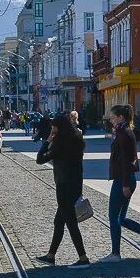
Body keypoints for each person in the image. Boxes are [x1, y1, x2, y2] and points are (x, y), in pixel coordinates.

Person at [101, 104, 140, 262]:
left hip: (123, 180)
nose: (111, 120)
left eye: (113, 117)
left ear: (121, 117)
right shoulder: (123, 132)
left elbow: (128, 161)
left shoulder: (125, 134)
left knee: (113, 217)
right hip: (125, 179)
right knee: (121, 219)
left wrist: (125, 184)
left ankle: (115, 254)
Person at [36, 114, 91, 267]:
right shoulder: (77, 140)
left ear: (59, 128)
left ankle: (83, 258)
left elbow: (40, 159)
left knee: (70, 222)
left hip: (64, 187)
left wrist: (47, 142)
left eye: (54, 127)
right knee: (59, 221)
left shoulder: (60, 144)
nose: (52, 129)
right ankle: (51, 255)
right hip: (74, 185)